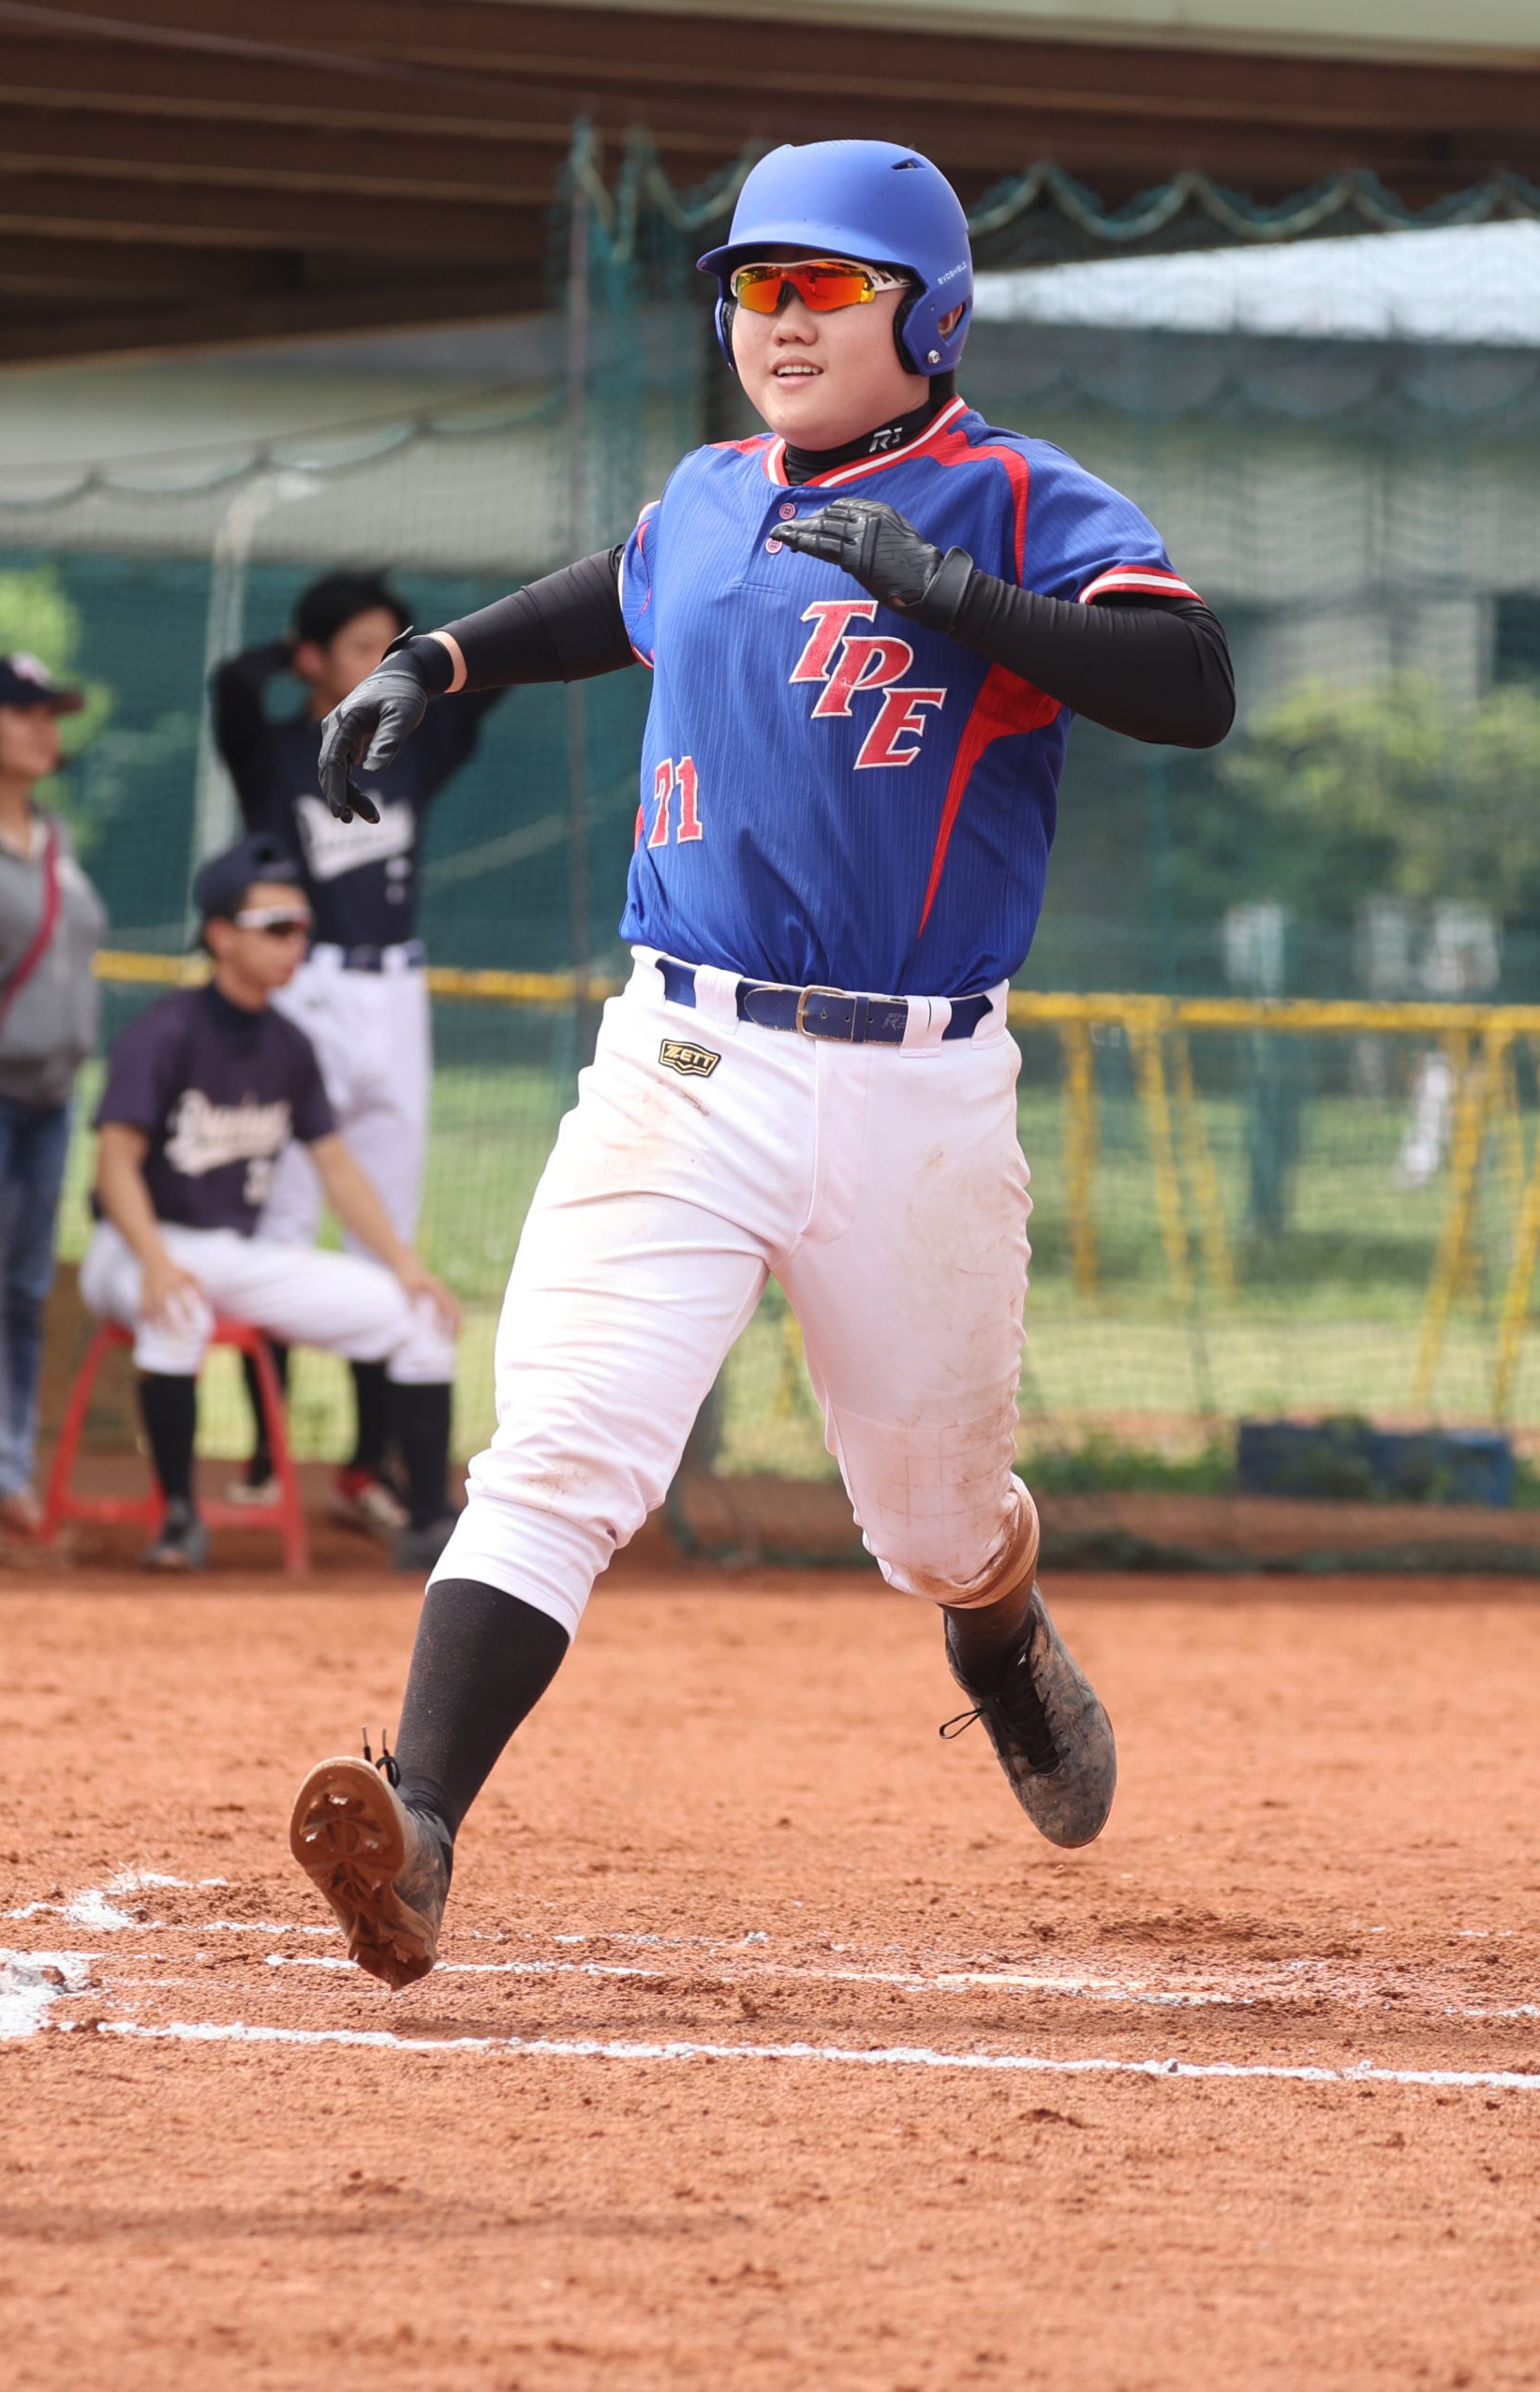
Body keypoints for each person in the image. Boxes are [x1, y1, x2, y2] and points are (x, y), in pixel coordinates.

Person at [276, 141, 1236, 1986]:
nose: (778, 320)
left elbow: (1188, 684)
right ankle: (423, 1822)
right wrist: (438, 662)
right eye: (752, 288)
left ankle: (997, 1629)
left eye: (826, 286)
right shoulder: (713, 493)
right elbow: (617, 593)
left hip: (917, 1095)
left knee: (933, 1523)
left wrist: (949, 590)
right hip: (685, 1057)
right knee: (561, 1450)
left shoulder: (1014, 494)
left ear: (931, 317)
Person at [211, 573, 506, 1534]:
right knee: (286, 1220)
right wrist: (302, 655)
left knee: (387, 1225)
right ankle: (268, 1457)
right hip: (308, 985)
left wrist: (415, 658)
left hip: (397, 992)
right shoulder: (274, 751)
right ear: (311, 657)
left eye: (390, 645)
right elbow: (230, 685)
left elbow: (495, 677)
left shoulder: (412, 744)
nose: (378, 663)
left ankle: (368, 1467)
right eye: (357, 647)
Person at [81, 837, 463, 1573]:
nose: (296, 944)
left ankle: (428, 1525)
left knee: (419, 1317)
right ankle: (178, 1520)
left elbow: (337, 1167)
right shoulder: (164, 1032)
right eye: (276, 926)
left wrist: (404, 1264)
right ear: (221, 935)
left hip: (232, 1255)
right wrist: (154, 1261)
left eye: (302, 928)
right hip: (132, 1247)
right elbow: (114, 1163)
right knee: (179, 1310)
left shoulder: (290, 1043)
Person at [0, 651, 109, 1561]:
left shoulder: (55, 838)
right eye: (21, 711)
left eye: (50, 713)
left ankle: (6, 1474)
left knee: (25, 1290)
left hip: (50, 1096)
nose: (44, 727)